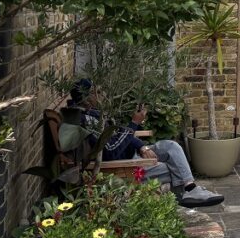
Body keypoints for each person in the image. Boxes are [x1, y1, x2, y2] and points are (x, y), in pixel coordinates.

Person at [70, 80, 224, 208]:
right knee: (174, 168)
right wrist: (134, 123)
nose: (102, 95)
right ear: (87, 98)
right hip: (125, 166)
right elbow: (110, 151)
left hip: (134, 153)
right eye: (97, 92)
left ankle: (190, 191)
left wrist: (141, 146)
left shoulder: (96, 114)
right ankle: (188, 193)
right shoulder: (87, 121)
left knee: (171, 146)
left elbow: (117, 135)